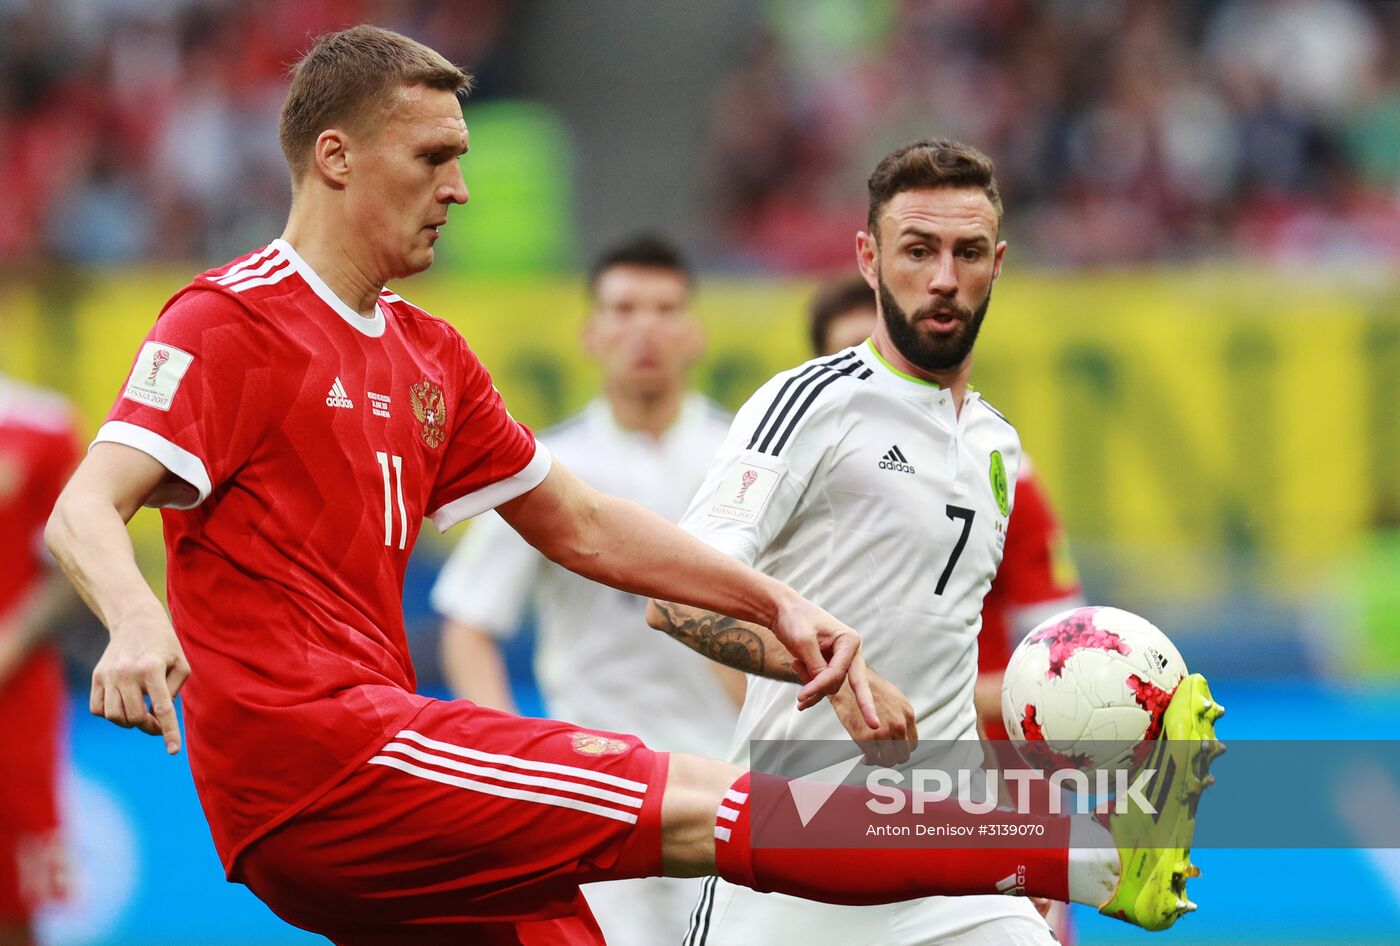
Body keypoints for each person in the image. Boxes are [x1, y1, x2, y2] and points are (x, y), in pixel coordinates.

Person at [44, 28, 1214, 945]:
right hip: (324, 758)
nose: (460, 187)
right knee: (724, 805)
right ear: (336, 157)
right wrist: (136, 617)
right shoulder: (233, 318)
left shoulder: (427, 354)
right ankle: (1087, 854)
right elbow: (85, 506)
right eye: (435, 157)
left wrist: (778, 604)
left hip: (386, 787)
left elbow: (585, 525)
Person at [649, 140, 1209, 944]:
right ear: (869, 260)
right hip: (795, 842)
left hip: (945, 851)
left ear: (998, 263)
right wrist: (827, 665)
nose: (944, 277)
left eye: (967, 252)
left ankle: (1098, 860)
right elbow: (671, 599)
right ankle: (1096, 863)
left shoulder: (999, 447)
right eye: (918, 250)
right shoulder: (810, 403)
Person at [430, 233, 741, 946]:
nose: (645, 330)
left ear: (695, 332)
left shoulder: (742, 462)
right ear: (591, 333)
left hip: (733, 781)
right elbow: (468, 622)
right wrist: (512, 761)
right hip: (600, 792)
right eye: (625, 309)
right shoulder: (548, 470)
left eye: (665, 309)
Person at [805, 274, 1087, 942]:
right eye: (848, 360)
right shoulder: (790, 478)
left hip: (973, 793)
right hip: (821, 795)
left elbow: (1066, 665)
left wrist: (932, 706)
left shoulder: (1004, 473)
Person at [0, 374, 81, 946]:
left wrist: (11, 641)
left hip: (13, 699)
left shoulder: (40, 423)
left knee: (13, 898)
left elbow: (74, 560)